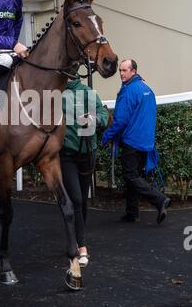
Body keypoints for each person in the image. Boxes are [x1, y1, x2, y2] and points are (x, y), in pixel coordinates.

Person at [101, 59, 171, 223]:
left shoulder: (129, 90)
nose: (121, 74)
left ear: (133, 71)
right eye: (120, 71)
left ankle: (160, 199)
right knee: (134, 176)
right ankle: (132, 213)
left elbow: (120, 120)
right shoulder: (147, 89)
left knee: (131, 175)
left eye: (124, 70)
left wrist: (106, 136)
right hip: (146, 142)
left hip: (132, 141)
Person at [61, 76, 109, 267]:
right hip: (66, 154)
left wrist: (94, 119)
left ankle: (75, 237)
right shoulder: (56, 94)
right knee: (77, 199)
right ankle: (82, 246)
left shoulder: (89, 93)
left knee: (81, 199)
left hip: (88, 152)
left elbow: (103, 115)